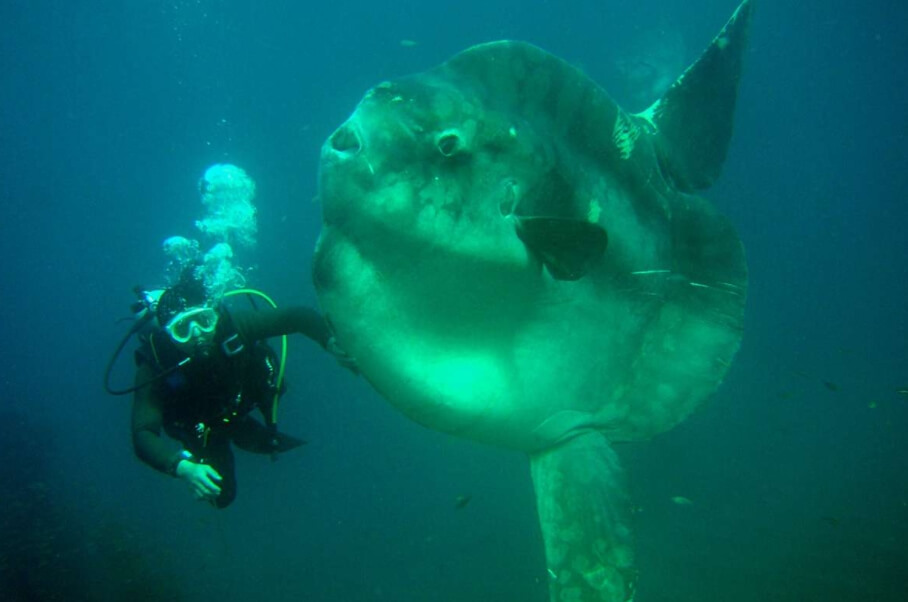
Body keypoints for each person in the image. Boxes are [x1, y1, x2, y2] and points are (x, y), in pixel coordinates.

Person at [129, 269, 345, 508]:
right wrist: (181, 466)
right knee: (222, 496)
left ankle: (251, 422)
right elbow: (143, 433)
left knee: (273, 382)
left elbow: (296, 316)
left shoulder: (235, 328)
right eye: (183, 329)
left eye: (203, 320)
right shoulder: (155, 366)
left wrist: (330, 341)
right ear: (168, 334)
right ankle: (230, 435)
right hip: (202, 425)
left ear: (215, 317)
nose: (197, 335)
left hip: (240, 396)